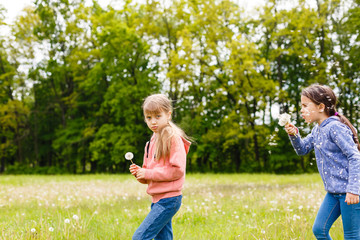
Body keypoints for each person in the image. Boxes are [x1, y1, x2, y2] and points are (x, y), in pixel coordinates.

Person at [284, 84, 360, 239]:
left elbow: (355, 156)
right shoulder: (317, 130)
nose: (302, 110)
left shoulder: (335, 127)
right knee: (319, 229)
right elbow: (302, 149)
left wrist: (353, 189)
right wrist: (294, 135)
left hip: (349, 193)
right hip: (333, 193)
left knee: (351, 236)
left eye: (305, 106)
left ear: (320, 107)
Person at [129, 94, 191, 240]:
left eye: (158, 116)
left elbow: (177, 171)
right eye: (149, 117)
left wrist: (148, 173)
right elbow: (148, 176)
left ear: (168, 115)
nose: (153, 121)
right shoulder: (150, 143)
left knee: (139, 237)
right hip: (157, 200)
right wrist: (140, 173)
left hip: (169, 200)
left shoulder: (172, 138)